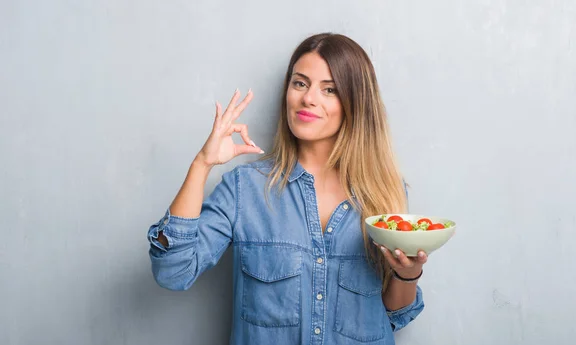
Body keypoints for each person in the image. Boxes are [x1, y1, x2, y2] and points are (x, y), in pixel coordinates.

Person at [147, 32, 428, 345]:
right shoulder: (244, 189)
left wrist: (408, 272)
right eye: (300, 83)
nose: (308, 98)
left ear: (355, 103)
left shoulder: (385, 192)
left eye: (330, 89)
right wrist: (202, 164)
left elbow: (394, 313)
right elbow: (173, 272)